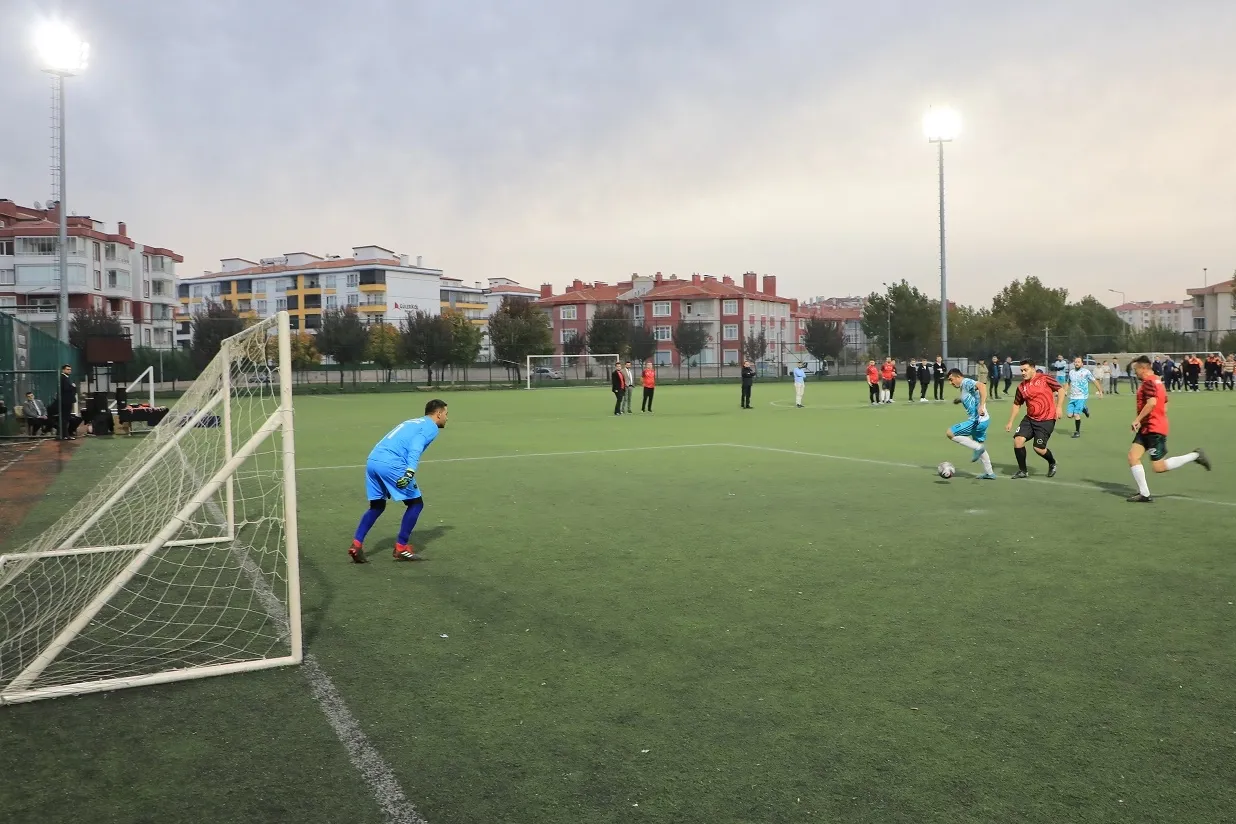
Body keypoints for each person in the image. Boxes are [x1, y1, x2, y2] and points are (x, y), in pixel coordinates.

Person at [349, 399, 449, 563]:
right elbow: (416, 447)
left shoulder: (413, 421)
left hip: (373, 460)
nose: (446, 418)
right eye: (446, 414)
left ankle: (356, 545)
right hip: (392, 464)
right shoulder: (430, 427)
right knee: (416, 504)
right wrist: (409, 471)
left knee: (377, 506)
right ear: (438, 414)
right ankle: (401, 547)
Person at [1126, 356, 1211, 502]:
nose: (1135, 373)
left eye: (1136, 370)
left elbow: (1152, 402)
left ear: (1143, 368)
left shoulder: (1149, 382)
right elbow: (1165, 402)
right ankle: (1144, 494)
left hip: (1153, 428)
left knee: (1158, 467)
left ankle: (1196, 455)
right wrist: (1154, 417)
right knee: (1133, 457)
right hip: (1149, 426)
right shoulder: (1158, 381)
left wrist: (1138, 419)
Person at [1005, 360, 1065, 479]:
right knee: (1018, 441)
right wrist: (1010, 421)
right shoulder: (1021, 387)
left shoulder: (1044, 378)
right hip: (1030, 419)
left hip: (1046, 419)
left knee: (1038, 448)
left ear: (1033, 369)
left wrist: (1059, 407)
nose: (1023, 373)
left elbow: (1061, 389)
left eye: (1025, 370)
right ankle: (1023, 471)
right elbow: (1017, 404)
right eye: (1021, 370)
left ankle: (1052, 462)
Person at [946, 368, 997, 479]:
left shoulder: (966, 382)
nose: (950, 383)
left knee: (950, 433)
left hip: (976, 421)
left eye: (951, 379)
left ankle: (978, 448)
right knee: (979, 446)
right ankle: (989, 473)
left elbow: (982, 386)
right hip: (984, 420)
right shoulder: (963, 386)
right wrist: (960, 400)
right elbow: (973, 395)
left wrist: (981, 406)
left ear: (958, 377)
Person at [1063, 356, 1103, 438]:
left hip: (1082, 396)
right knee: (1069, 415)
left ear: (1082, 364)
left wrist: (1100, 391)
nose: (1077, 363)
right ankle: (1084, 408)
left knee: (1076, 414)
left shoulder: (1086, 372)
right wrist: (1065, 391)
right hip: (1072, 397)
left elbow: (1094, 381)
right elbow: (1068, 382)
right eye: (1075, 362)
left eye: (1078, 362)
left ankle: (1077, 432)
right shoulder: (1071, 372)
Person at [58, 364, 78, 440]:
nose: (69, 371)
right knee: (65, 418)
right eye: (67, 369)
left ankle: (65, 434)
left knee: (66, 418)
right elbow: (66, 389)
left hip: (67, 400)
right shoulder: (63, 378)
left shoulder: (66, 378)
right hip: (66, 401)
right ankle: (65, 435)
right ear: (63, 370)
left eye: (70, 369)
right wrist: (73, 386)